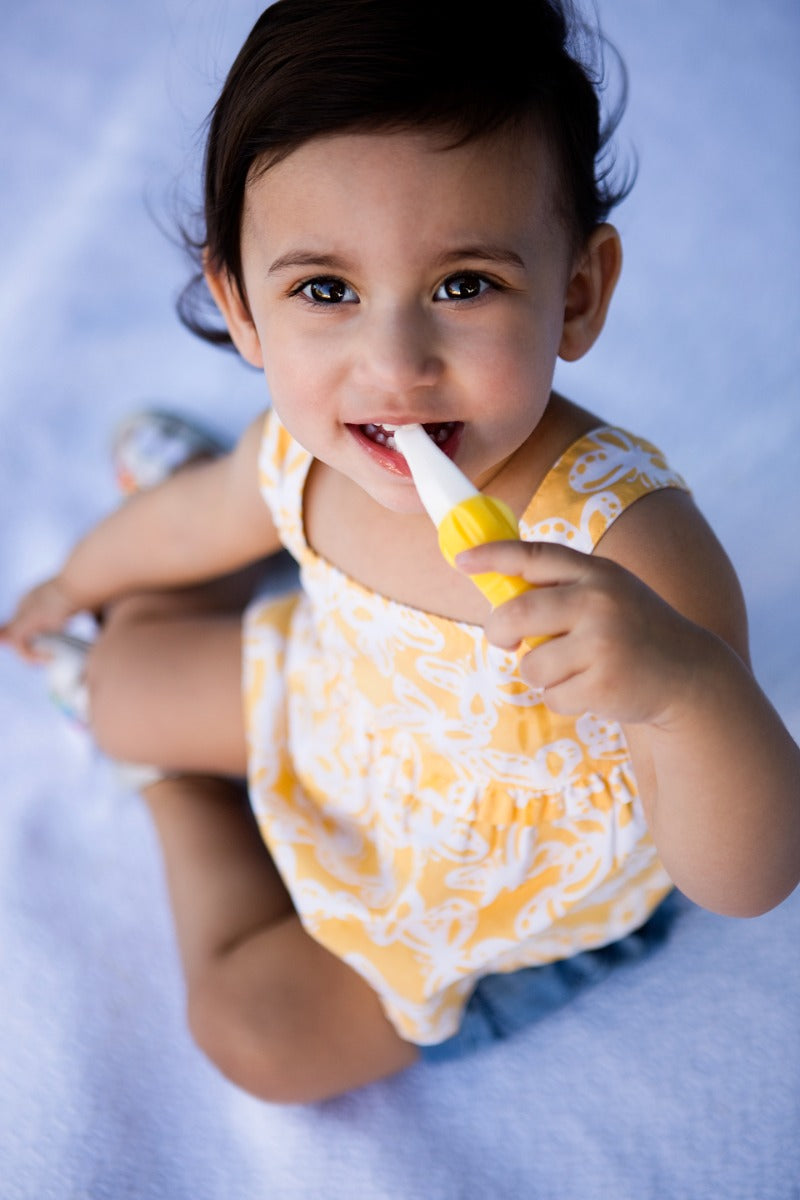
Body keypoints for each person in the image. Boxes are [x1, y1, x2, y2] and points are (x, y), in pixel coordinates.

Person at [2, 0, 799, 1104]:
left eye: (463, 284)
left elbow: (746, 879)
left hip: (502, 874)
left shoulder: (623, 541)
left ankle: (176, 794)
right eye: (324, 291)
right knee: (128, 677)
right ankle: (193, 592)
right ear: (240, 305)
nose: (395, 363)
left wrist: (683, 689)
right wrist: (77, 578)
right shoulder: (304, 447)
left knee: (257, 1038)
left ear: (575, 294)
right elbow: (184, 529)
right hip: (339, 710)